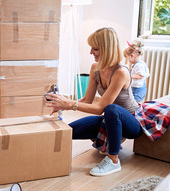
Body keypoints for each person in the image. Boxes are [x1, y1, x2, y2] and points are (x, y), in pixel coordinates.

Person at [46, 27, 143, 177]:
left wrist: (69, 104)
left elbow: (99, 108)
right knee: (69, 130)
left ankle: (113, 161)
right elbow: (87, 100)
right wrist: (62, 104)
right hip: (109, 121)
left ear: (107, 49)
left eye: (95, 49)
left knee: (112, 109)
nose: (91, 52)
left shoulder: (121, 72)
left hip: (131, 122)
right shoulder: (95, 68)